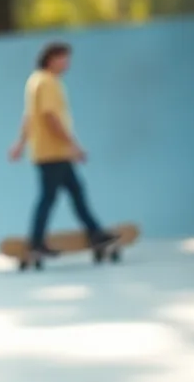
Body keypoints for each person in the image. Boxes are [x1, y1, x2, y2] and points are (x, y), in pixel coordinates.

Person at [9, 41, 117, 256]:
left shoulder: (34, 81)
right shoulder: (48, 82)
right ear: (51, 59)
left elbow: (29, 117)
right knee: (50, 197)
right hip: (54, 152)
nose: (67, 63)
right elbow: (50, 117)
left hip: (47, 152)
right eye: (63, 58)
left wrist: (20, 144)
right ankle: (37, 242)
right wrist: (74, 145)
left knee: (75, 193)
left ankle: (95, 232)